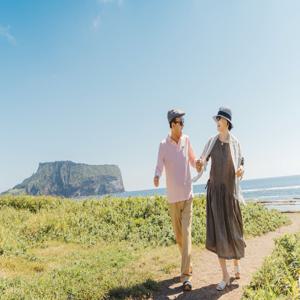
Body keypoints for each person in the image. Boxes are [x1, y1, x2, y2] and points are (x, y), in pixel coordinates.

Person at [194, 107, 246, 291]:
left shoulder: (236, 144)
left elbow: (242, 164)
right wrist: (199, 164)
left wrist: (241, 171)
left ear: (227, 123)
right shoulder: (211, 142)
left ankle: (236, 264)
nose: (217, 121)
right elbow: (201, 161)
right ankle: (225, 275)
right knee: (220, 234)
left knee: (234, 232)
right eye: (217, 118)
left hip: (230, 195)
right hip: (215, 194)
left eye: (220, 119)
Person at [154, 108, 198, 291]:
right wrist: (156, 176)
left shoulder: (186, 140)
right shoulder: (163, 144)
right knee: (179, 238)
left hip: (188, 196)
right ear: (173, 124)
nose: (183, 125)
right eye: (180, 122)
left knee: (186, 235)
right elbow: (159, 165)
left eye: (183, 122)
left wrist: (199, 164)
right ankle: (188, 265)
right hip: (173, 199)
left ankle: (185, 277)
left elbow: (193, 160)